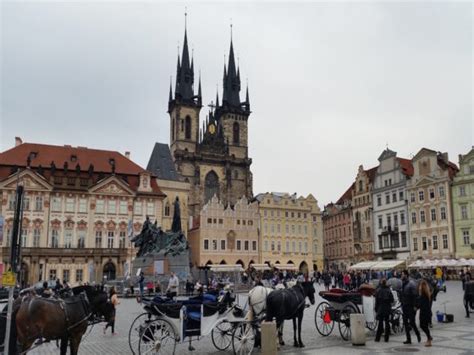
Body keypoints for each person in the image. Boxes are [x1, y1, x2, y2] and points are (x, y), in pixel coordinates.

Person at [401, 270, 421, 344]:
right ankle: (408, 339)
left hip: (411, 307)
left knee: (412, 322)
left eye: (402, 274)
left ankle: (417, 334)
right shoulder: (403, 283)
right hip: (405, 306)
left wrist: (416, 306)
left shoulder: (411, 284)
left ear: (406, 275)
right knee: (405, 323)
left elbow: (416, 296)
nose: (401, 276)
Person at [374, 278, 394, 342]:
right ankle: (386, 338)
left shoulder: (378, 290)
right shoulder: (388, 290)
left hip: (381, 308)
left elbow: (376, 301)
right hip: (387, 308)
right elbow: (392, 300)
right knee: (387, 323)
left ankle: (377, 338)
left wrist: (376, 309)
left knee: (380, 323)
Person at [417, 279, 433, 347]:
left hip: (424, 313)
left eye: (420, 285)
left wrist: (416, 307)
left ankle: (429, 339)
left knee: (423, 326)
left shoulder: (423, 295)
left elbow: (420, 304)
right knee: (424, 326)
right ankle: (429, 337)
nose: (419, 287)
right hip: (427, 312)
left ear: (422, 287)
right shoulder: (427, 294)